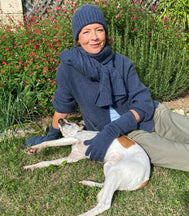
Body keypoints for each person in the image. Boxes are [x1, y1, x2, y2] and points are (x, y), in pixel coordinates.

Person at [25, 4, 189, 172]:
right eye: (86, 32)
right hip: (128, 136)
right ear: (78, 37)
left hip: (153, 115)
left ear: (105, 33)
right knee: (182, 156)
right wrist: (50, 137)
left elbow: (143, 102)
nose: (94, 37)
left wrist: (113, 129)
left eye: (99, 30)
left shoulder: (121, 62)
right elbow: (62, 107)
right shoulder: (68, 69)